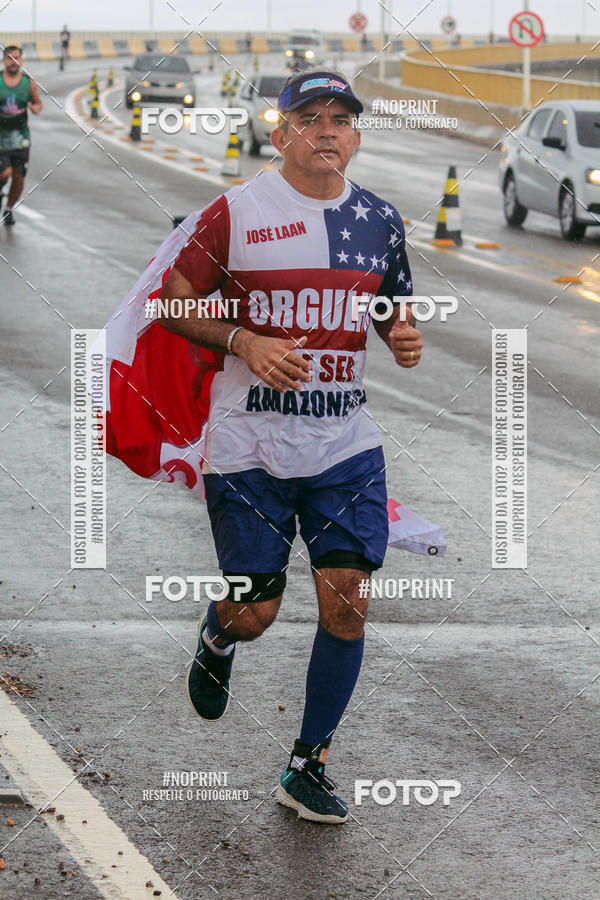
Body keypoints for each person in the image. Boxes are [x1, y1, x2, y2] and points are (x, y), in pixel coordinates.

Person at [159, 69, 423, 825]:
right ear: (281, 135)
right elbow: (169, 304)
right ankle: (220, 633)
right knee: (259, 611)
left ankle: (308, 764)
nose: (329, 129)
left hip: (344, 444)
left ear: (357, 136)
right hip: (251, 447)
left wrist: (400, 335)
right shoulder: (234, 214)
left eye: (342, 118)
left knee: (348, 605)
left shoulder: (380, 219)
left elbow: (390, 309)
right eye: (311, 117)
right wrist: (244, 337)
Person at [0, 46, 42, 227]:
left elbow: (37, 103)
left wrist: (35, 108)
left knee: (18, 178)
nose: (13, 61)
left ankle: (8, 209)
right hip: (1, 137)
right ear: (4, 61)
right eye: (9, 58)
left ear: (21, 60)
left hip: (21, 138)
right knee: (5, 173)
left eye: (16, 58)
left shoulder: (28, 82)